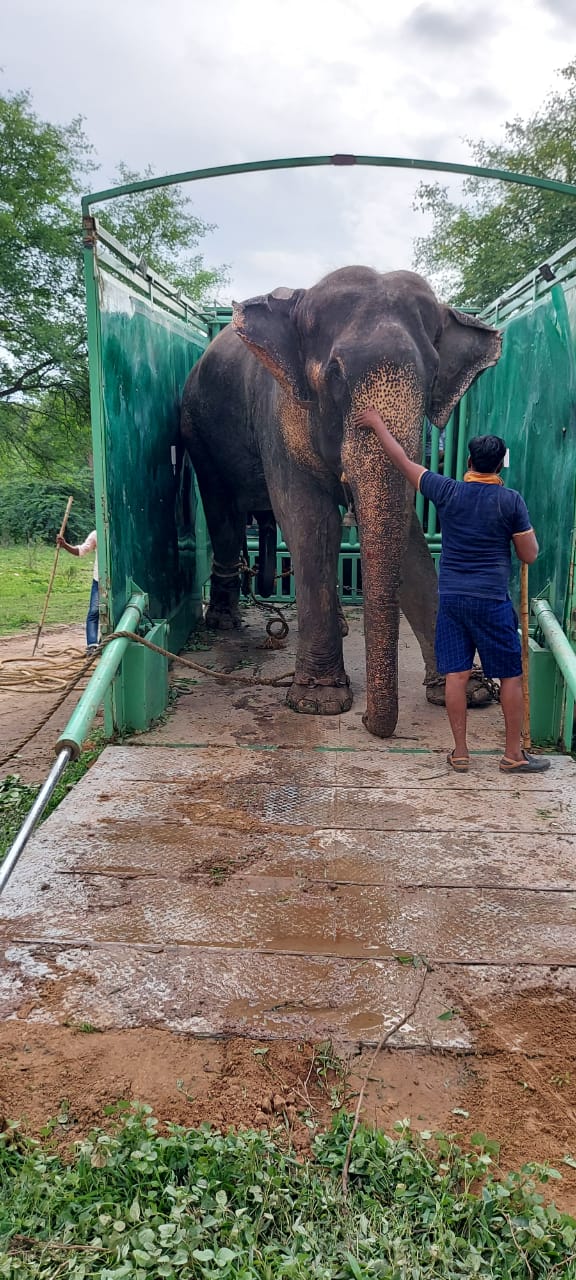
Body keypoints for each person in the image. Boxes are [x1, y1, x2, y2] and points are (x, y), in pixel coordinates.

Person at [354, 410, 550, 775]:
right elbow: (530, 554)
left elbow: (402, 460)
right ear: (499, 466)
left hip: (453, 600)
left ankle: (460, 752)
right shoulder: (511, 501)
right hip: (491, 601)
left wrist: (379, 424)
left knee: (457, 676)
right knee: (510, 676)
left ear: (471, 461)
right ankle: (512, 755)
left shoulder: (447, 491)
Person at [56, 529, 99, 654]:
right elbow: (81, 551)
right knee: (94, 612)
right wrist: (64, 545)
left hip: (119, 580)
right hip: (99, 579)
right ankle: (92, 645)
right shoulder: (96, 534)